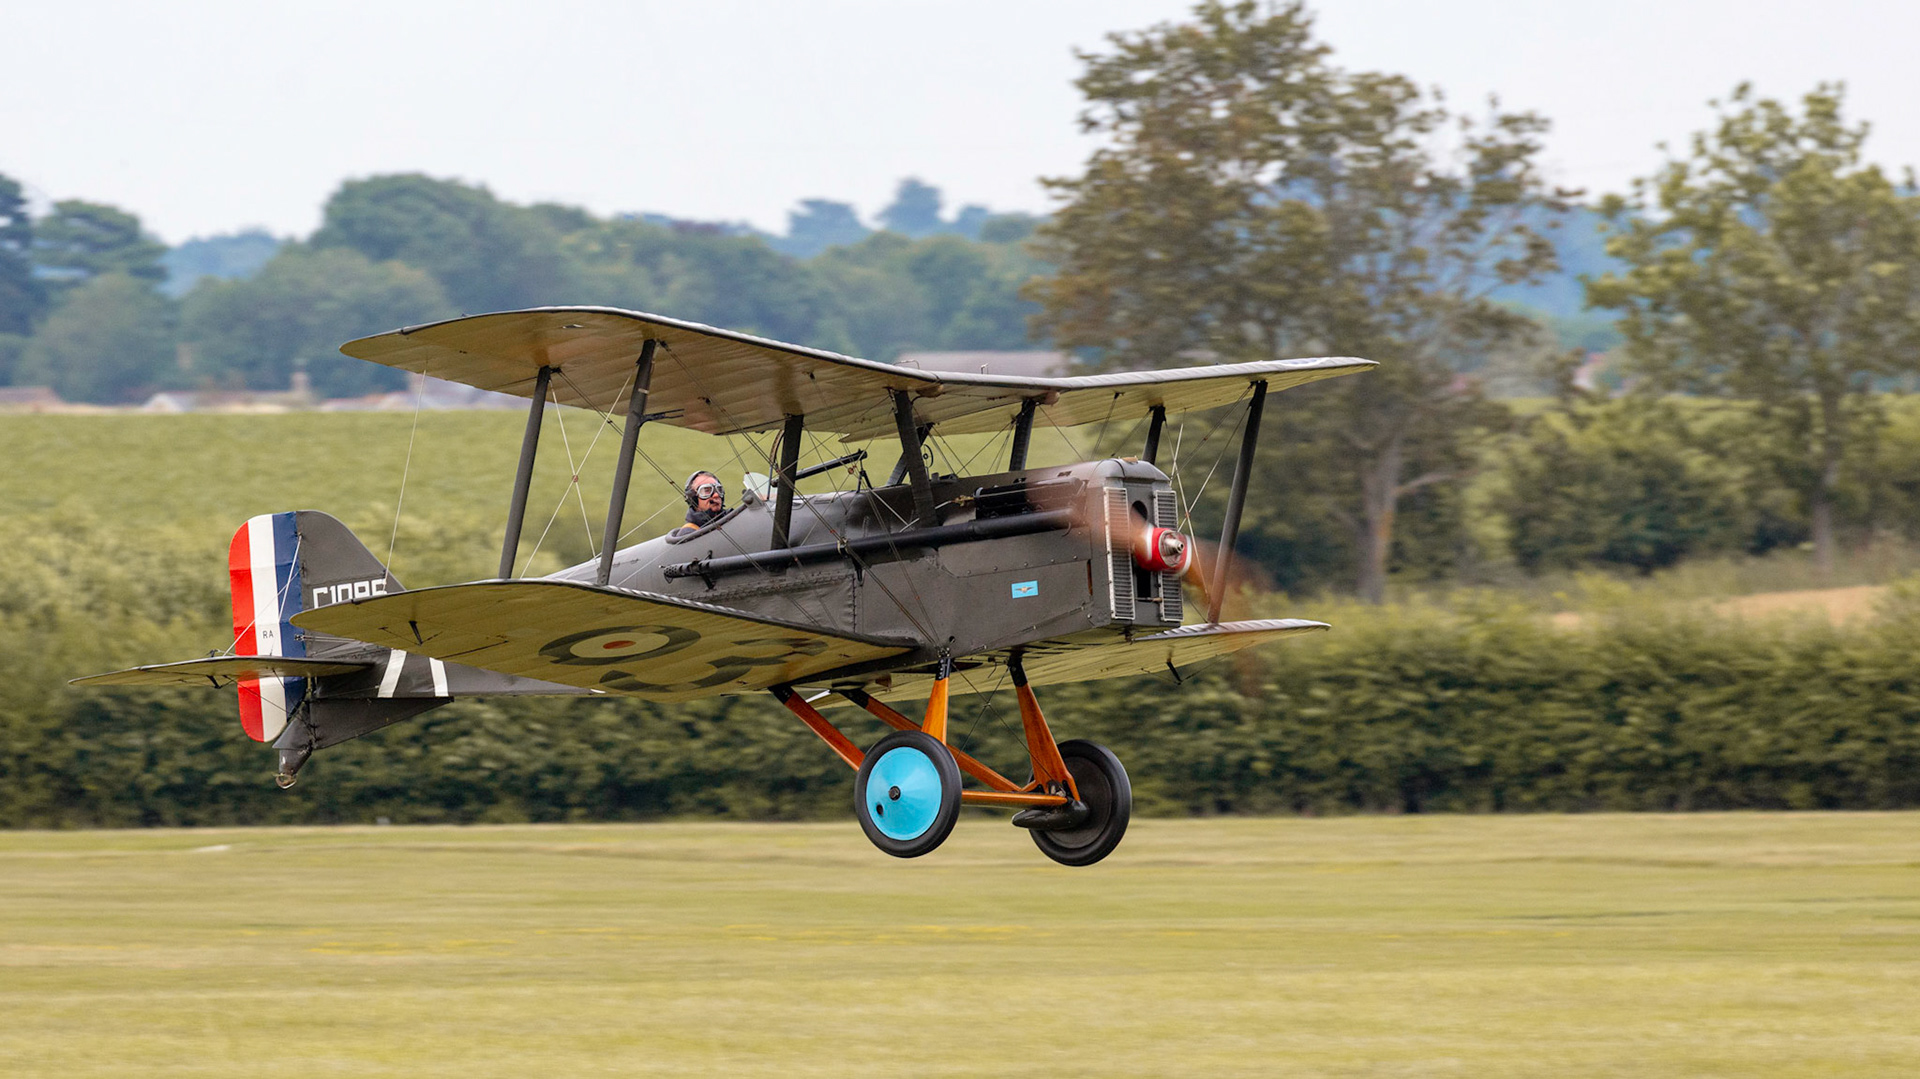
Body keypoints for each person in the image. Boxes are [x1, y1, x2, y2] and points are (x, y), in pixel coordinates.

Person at [669, 471, 725, 538]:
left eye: (719, 489)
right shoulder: (688, 533)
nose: (716, 495)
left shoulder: (729, 518)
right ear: (693, 498)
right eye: (707, 490)